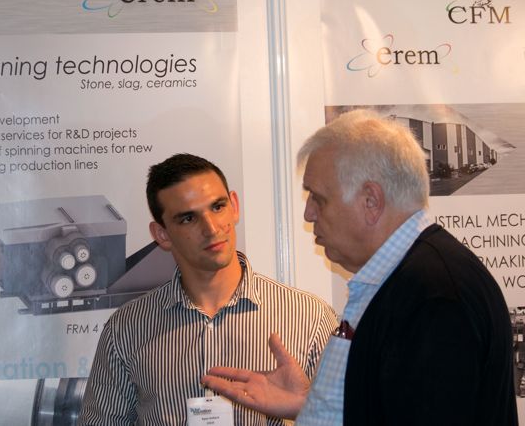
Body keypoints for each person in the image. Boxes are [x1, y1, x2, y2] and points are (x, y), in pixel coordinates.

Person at [202, 110, 517, 425]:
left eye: (318, 199)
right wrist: (313, 403)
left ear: (371, 201)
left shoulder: (435, 295)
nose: (308, 214)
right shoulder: (397, 281)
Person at [78, 153, 338, 425]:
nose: (212, 229)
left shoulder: (310, 318)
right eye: (188, 219)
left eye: (217, 207)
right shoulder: (127, 329)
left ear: (234, 206)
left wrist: (306, 406)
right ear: (162, 234)